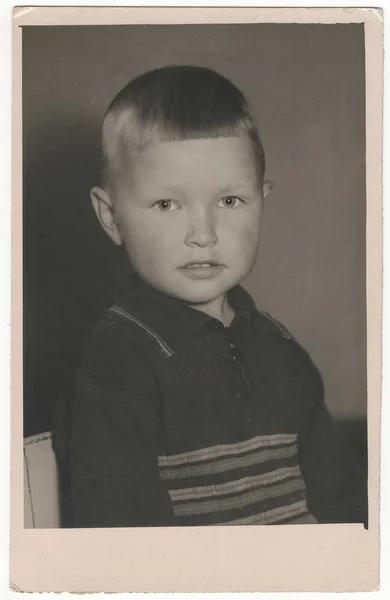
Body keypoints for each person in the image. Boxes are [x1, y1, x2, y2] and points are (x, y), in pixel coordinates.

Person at [58, 65, 367, 527]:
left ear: (262, 200)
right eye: (167, 204)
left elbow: (345, 507)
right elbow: (125, 548)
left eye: (229, 201)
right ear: (110, 216)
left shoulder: (279, 348)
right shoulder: (116, 365)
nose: (203, 235)